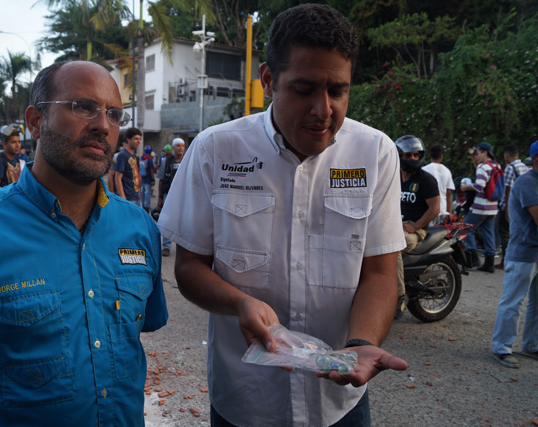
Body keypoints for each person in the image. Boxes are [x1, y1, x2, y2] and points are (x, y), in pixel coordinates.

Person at [158, 4, 408, 426]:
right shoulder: (216, 150)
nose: (323, 109)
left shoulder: (375, 153)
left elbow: (380, 274)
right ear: (269, 80)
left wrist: (360, 344)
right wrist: (239, 301)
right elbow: (189, 267)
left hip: (338, 403)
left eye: (338, 90)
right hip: (245, 399)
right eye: (305, 89)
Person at [0, 60, 168, 426]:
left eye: (114, 114)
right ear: (36, 120)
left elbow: (135, 335)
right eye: (83, 107)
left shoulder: (140, 229)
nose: (103, 125)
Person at [491, 140, 538, 368]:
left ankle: (532, 345)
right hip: (523, 252)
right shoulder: (527, 182)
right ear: (536, 159)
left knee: (536, 303)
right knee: (513, 302)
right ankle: (502, 347)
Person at [395, 136, 440, 318]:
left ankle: (399, 296)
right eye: (409, 155)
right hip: (394, 225)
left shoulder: (426, 180)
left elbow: (434, 209)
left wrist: (415, 226)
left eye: (416, 155)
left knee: (394, 246)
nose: (413, 158)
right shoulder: (393, 177)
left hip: (415, 230)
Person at [460, 142, 501, 273]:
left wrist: (466, 187)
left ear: (485, 152)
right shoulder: (496, 165)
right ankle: (489, 264)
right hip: (493, 206)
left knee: (466, 228)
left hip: (481, 206)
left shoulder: (483, 167)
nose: (476, 156)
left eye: (478, 153)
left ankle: (473, 258)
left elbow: (479, 186)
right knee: (489, 233)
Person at [495, 145, 528, 269]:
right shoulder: (524, 167)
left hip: (509, 205)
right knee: (516, 233)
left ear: (506, 155)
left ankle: (505, 260)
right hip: (521, 205)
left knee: (504, 233)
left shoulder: (510, 168)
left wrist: (507, 209)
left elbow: (508, 188)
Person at [158, 138, 186, 257]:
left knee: (185, 221)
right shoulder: (166, 161)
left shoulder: (188, 160)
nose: (180, 148)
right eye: (178, 145)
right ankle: (166, 246)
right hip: (168, 194)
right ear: (173, 148)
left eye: (182, 146)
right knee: (168, 220)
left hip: (185, 195)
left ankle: (184, 247)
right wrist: (160, 197)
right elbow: (161, 179)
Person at [422, 145, 455, 224]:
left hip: (427, 211)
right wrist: (449, 213)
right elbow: (449, 193)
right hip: (442, 210)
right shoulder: (447, 171)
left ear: (430, 155)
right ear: (441, 156)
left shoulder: (423, 170)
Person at [0, 123, 26, 193]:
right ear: (5, 144)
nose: (17, 145)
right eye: (13, 142)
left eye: (19, 142)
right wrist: (13, 196)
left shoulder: (17, 160)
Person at [114, 127, 142, 206]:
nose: (138, 141)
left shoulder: (135, 156)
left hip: (136, 196)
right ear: (128, 139)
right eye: (136, 139)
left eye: (140, 139)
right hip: (127, 197)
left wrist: (139, 193)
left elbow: (136, 175)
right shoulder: (123, 155)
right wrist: (123, 197)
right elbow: (117, 178)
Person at [140, 145, 156, 212]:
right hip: (148, 178)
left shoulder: (142, 157)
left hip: (141, 178)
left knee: (142, 192)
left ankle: (142, 205)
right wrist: (153, 178)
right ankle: (146, 207)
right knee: (147, 193)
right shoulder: (149, 159)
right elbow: (151, 169)